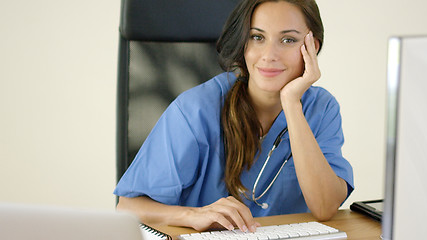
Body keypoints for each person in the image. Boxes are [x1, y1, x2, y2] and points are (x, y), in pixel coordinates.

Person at [114, 0, 354, 233]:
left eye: (288, 40)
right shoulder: (196, 110)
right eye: (257, 37)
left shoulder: (321, 108)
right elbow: (127, 207)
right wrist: (192, 215)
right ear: (243, 43)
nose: (269, 55)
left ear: (313, 47)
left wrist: (291, 104)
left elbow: (325, 207)